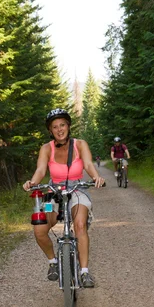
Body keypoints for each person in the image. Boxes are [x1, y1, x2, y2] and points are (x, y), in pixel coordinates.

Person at [23, 108, 105, 287]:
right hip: (54, 191)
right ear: (50, 131)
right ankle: (53, 262)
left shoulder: (80, 144)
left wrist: (95, 177)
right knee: (39, 229)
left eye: (62, 125)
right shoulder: (46, 148)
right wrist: (33, 182)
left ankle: (84, 273)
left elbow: (89, 164)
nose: (59, 129)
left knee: (80, 224)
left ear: (68, 126)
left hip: (78, 189)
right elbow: (40, 170)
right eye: (55, 127)